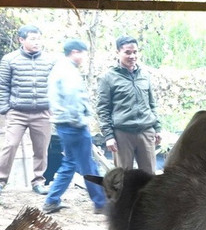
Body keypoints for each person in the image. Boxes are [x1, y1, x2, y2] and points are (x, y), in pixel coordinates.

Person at [42, 39, 107, 214]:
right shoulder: (68, 72)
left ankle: (51, 200)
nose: (84, 58)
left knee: (69, 163)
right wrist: (80, 122)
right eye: (83, 53)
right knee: (88, 166)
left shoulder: (58, 69)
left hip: (63, 125)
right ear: (75, 52)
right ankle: (101, 203)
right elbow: (73, 99)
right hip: (74, 125)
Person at [0, 25, 55, 195]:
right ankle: (1, 181)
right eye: (32, 39)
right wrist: (5, 110)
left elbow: (55, 86)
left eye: (39, 38)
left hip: (43, 112)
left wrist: (52, 108)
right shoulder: (10, 59)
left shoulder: (50, 60)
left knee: (41, 149)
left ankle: (38, 182)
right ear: (21, 40)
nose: (37, 42)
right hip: (17, 112)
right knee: (10, 145)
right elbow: (2, 86)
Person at [96, 35, 162, 173]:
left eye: (135, 52)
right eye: (127, 52)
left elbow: (152, 104)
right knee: (123, 178)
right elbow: (103, 109)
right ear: (117, 53)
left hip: (146, 132)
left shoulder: (145, 75)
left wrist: (157, 128)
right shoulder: (108, 78)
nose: (132, 56)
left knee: (149, 177)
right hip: (122, 135)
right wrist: (108, 136)